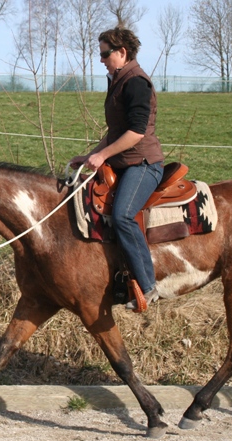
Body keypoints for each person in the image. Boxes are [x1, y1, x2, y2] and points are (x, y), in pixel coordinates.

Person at [70, 27, 165, 309]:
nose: (101, 60)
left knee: (123, 215)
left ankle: (148, 287)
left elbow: (135, 133)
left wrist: (104, 156)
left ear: (122, 52)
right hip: (124, 161)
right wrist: (91, 155)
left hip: (143, 164)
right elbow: (115, 132)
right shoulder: (118, 80)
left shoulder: (135, 82)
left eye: (104, 54)